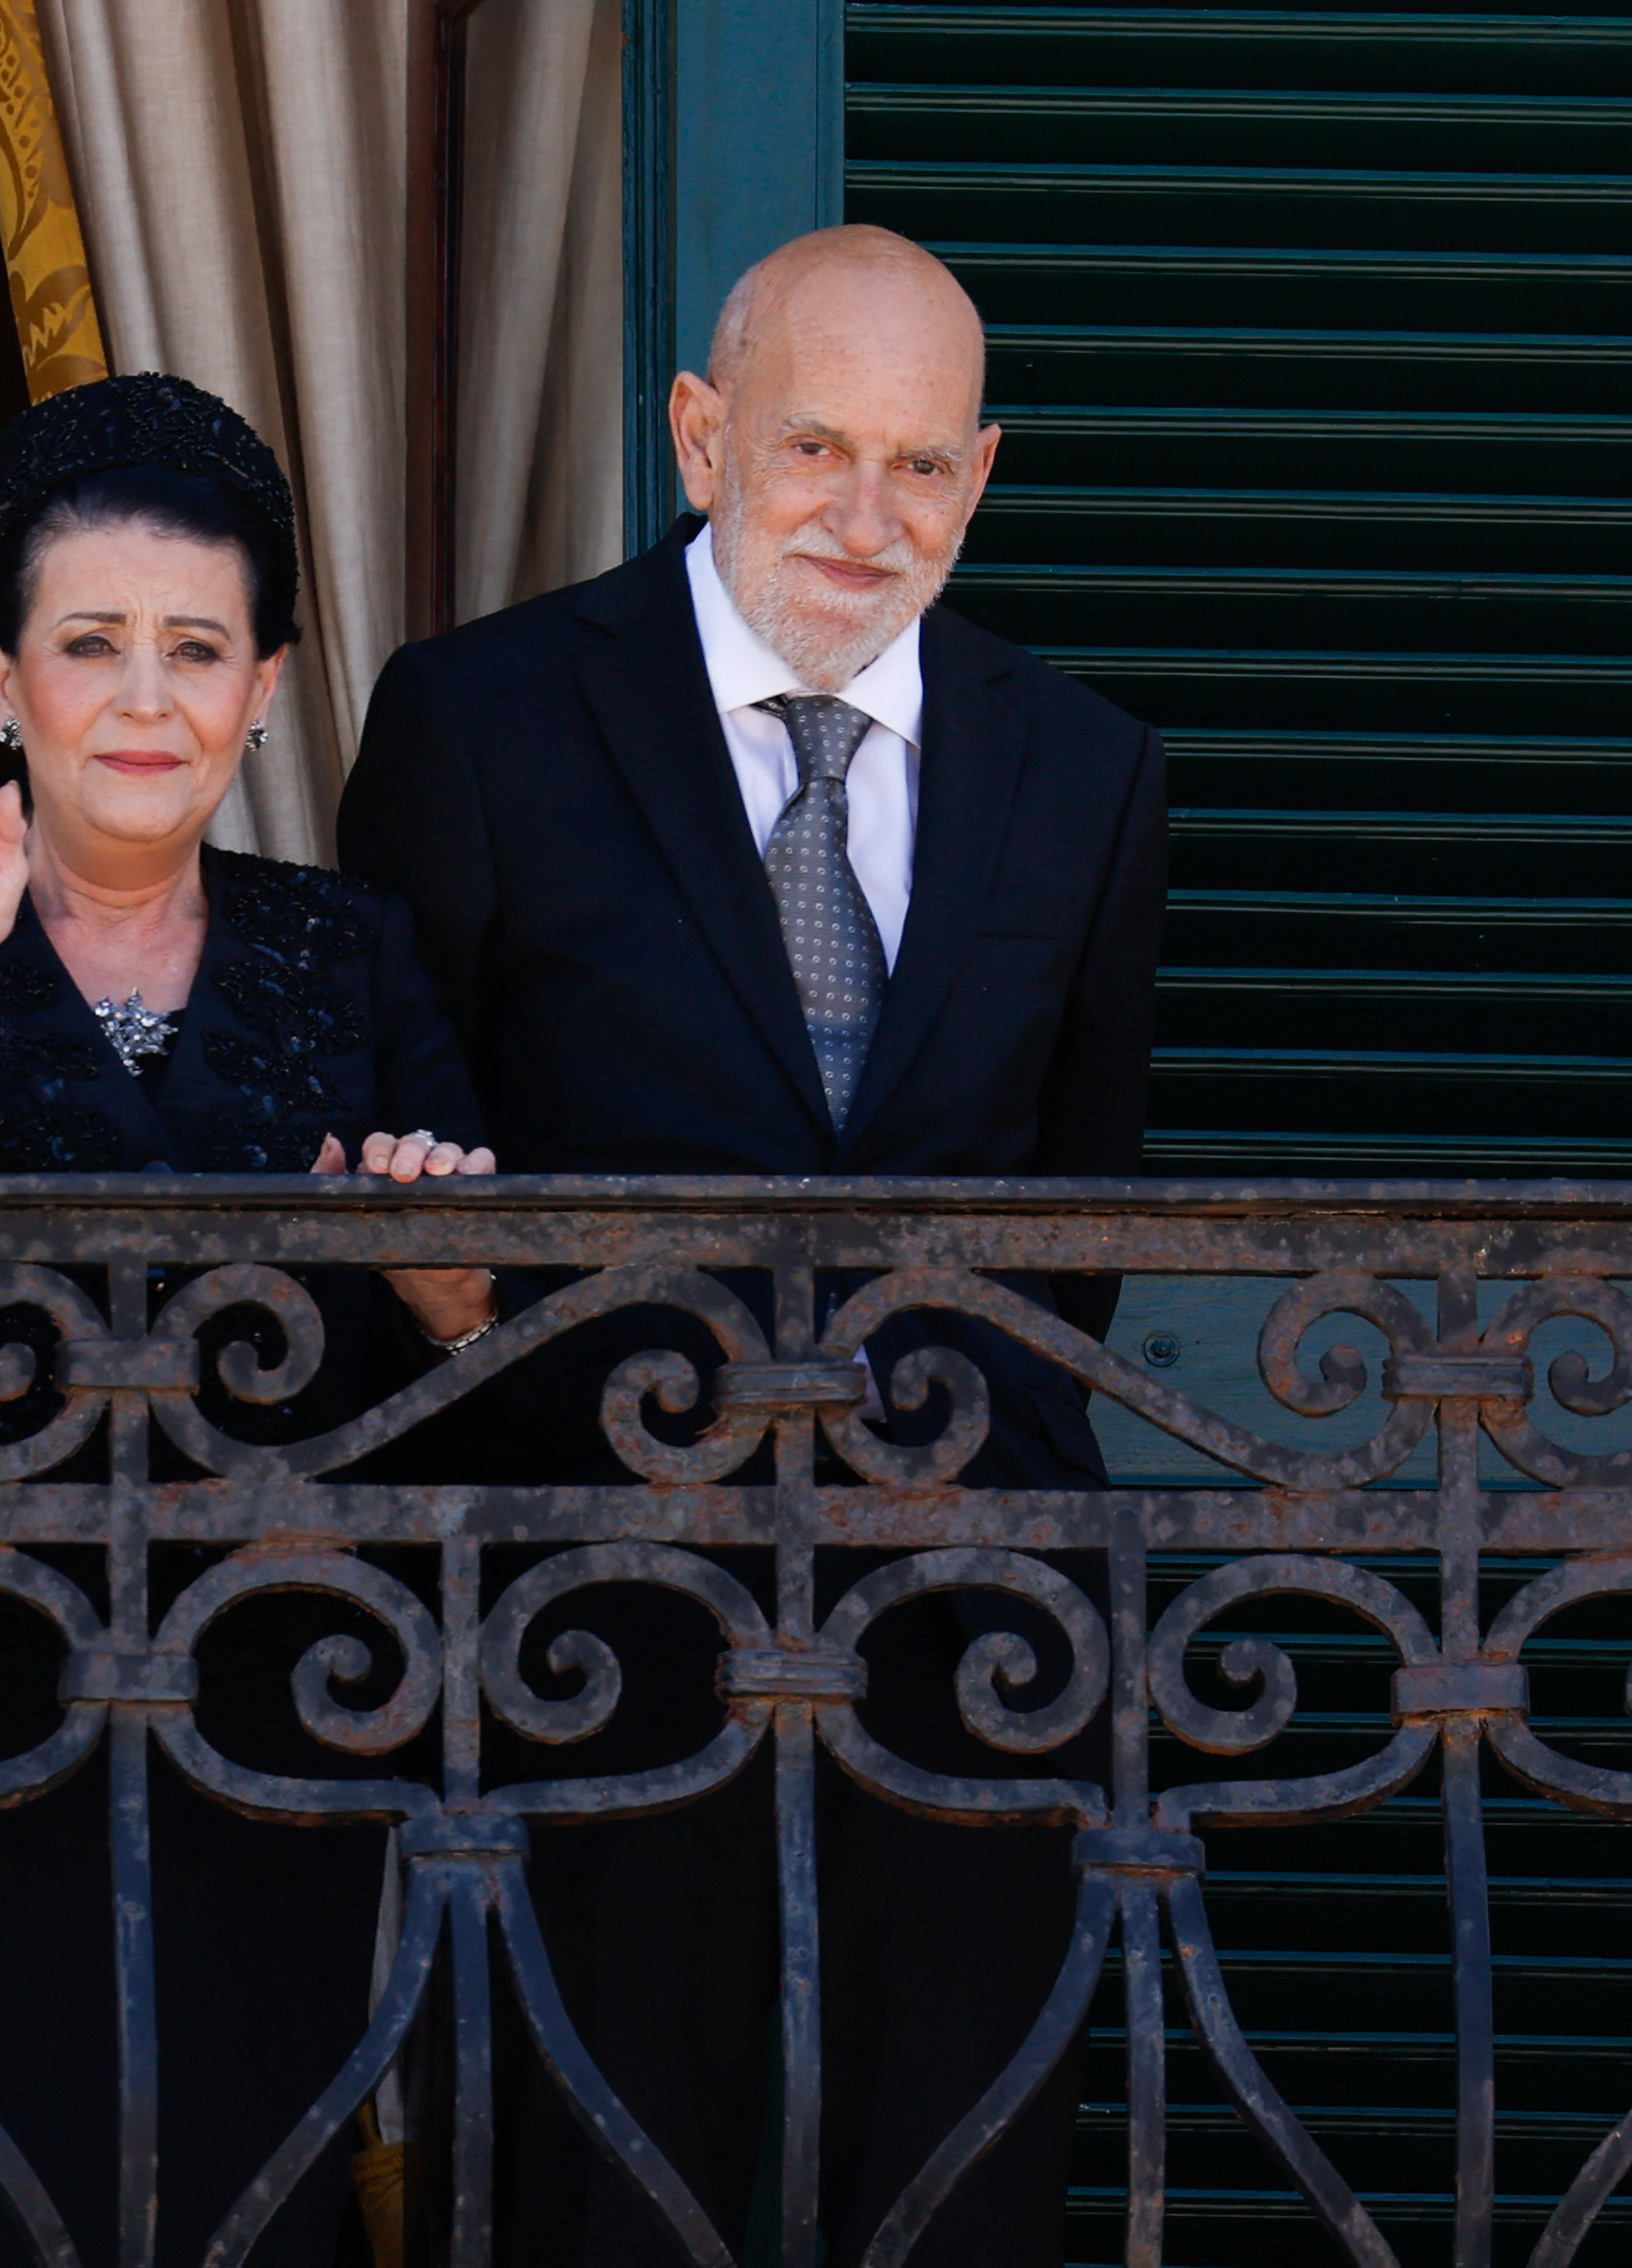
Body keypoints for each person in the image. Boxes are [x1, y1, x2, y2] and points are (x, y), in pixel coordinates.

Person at [336, 227, 1167, 2265]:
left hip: (970, 1656)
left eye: (919, 467)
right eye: (812, 448)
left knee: (954, 2209)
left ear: (982, 473)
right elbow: (396, 1182)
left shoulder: (1087, 771)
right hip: (583, 1645)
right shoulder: (479, 719)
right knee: (588, 2209)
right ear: (699, 434)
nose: (864, 520)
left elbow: (1075, 1231)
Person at [0, 372, 495, 2268]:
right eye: (91, 644)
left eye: (196, 647)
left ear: (269, 689)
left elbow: (481, 1306)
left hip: (255, 1730)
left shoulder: (344, 946)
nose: (145, 700)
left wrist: (439, 1269)